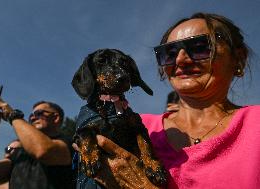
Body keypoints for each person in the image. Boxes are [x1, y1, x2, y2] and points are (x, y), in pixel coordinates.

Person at [73, 12, 260, 188]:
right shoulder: (139, 124)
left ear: (239, 58)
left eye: (199, 47)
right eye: (169, 53)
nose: (181, 59)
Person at [0, 100, 74, 189]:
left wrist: (13, 115)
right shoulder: (20, 153)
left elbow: (42, 151)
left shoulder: (69, 145)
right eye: (31, 115)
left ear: (56, 117)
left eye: (39, 113)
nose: (32, 117)